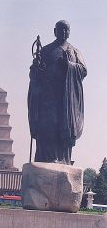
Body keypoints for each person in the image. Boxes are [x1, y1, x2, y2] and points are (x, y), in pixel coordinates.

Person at [28, 20, 87, 164]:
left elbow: (83, 70)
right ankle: (47, 158)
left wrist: (69, 66)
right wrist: (35, 68)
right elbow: (34, 74)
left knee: (64, 126)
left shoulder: (74, 51)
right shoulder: (46, 50)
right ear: (55, 31)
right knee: (48, 125)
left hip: (66, 98)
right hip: (48, 97)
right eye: (61, 30)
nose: (64, 32)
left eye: (67, 30)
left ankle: (64, 159)